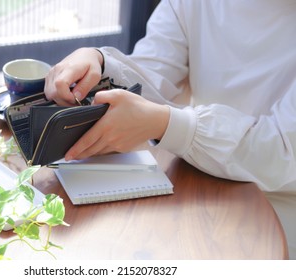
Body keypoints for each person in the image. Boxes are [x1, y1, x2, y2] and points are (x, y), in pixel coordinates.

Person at [44, 0, 296, 258]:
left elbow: (280, 151)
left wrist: (166, 123)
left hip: (279, 216)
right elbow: (153, 75)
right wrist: (98, 62)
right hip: (203, 185)